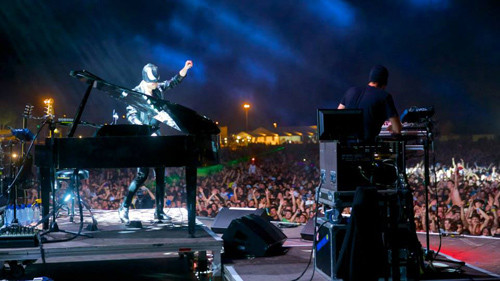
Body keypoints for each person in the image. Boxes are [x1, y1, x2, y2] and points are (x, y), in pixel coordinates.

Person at [118, 60, 193, 224]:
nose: (155, 85)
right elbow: (131, 114)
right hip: (142, 135)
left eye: (156, 81)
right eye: (152, 82)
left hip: (156, 133)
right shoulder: (135, 93)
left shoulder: (157, 89)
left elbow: (172, 82)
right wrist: (140, 126)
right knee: (142, 175)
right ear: (145, 80)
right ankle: (124, 207)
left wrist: (185, 69)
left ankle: (159, 211)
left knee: (160, 173)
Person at [338, 65, 402, 142]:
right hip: (368, 146)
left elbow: (337, 116)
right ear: (384, 83)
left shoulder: (350, 91)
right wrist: (392, 127)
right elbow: (397, 129)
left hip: (345, 146)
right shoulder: (384, 96)